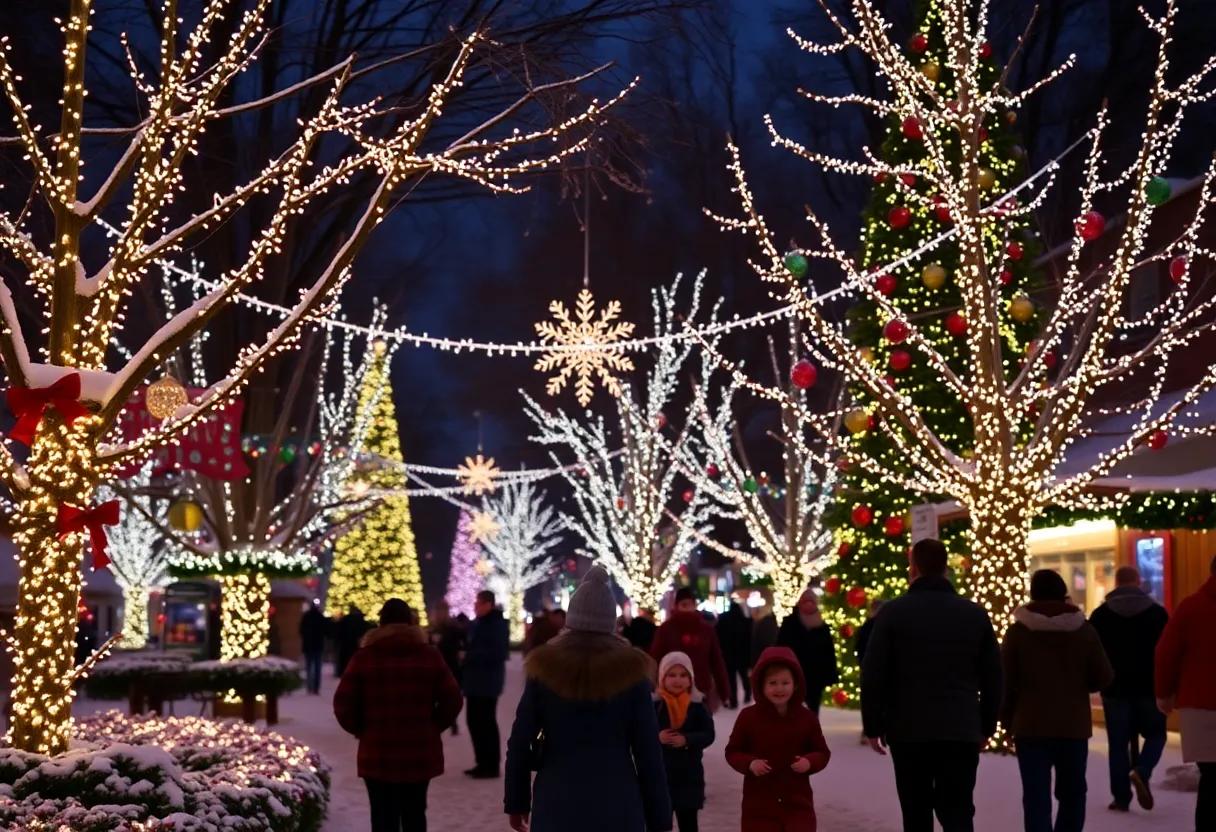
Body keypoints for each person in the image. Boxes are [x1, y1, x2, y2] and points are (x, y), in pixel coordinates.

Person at [504, 565, 672, 832]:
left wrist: (516, 801)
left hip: (556, 801)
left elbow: (520, 742)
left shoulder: (546, 670)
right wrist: (659, 818)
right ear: (611, 621)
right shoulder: (631, 675)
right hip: (617, 802)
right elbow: (648, 752)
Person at [860, 537, 1003, 832]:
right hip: (960, 727)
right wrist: (986, 725)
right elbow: (993, 676)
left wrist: (874, 724)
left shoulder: (892, 613)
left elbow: (874, 673)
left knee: (916, 812)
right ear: (946, 569)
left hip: (908, 728)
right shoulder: (974, 614)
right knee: (959, 811)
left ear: (913, 569)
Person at [333, 598, 463, 832]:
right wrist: (433, 726)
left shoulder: (364, 658)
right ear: (411, 623)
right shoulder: (429, 656)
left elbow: (343, 705)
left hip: (377, 751)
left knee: (382, 818)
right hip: (419, 752)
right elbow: (453, 699)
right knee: (415, 815)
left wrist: (363, 728)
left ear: (380, 623)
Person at [1002, 569, 1114, 832]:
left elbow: (1006, 681)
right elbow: (1104, 676)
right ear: (1063, 594)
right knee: (1073, 794)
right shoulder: (1084, 630)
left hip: (1030, 725)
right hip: (1072, 725)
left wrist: (1007, 720)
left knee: (1036, 797)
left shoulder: (1018, 632)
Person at [1088, 565, 1169, 811]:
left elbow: (1093, 651)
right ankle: (1142, 770)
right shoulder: (1157, 614)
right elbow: (1166, 652)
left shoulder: (1101, 614)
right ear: (1137, 582)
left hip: (1114, 688)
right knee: (1156, 734)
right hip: (1149, 687)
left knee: (1118, 743)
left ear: (1117, 582)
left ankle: (1121, 798)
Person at [725, 646, 831, 832]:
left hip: (797, 801)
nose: (779, 688)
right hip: (759, 804)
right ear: (761, 686)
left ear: (796, 684)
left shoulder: (807, 718)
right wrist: (749, 763)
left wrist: (810, 762)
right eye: (772, 683)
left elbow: (822, 751)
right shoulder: (748, 717)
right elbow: (733, 751)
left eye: (785, 682)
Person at [1155, 554, 1216, 831]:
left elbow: (1166, 653)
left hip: (1201, 709)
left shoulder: (1191, 607)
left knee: (1211, 780)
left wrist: (1164, 694)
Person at [654, 651, 715, 832]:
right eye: (671, 675)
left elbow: (708, 734)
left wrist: (687, 739)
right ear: (662, 678)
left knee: (688, 822)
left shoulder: (697, 705)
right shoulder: (654, 705)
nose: (677, 680)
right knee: (658, 822)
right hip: (660, 774)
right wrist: (657, 737)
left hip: (689, 775)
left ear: (691, 679)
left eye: (683, 675)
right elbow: (639, 734)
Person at [650, 588, 730, 712]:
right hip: (672, 691)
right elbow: (655, 659)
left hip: (701, 688)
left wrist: (724, 691)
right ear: (677, 606)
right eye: (684, 605)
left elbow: (716, 661)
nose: (688, 609)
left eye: (691, 605)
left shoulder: (706, 630)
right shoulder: (666, 629)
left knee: (701, 726)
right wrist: (652, 687)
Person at [461, 589, 510, 778]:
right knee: (474, 721)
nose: (476, 607)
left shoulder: (496, 625)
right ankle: (481, 761)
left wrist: (469, 656)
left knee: (485, 722)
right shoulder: (479, 624)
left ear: (489, 604)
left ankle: (490, 764)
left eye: (479, 603)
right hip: (475, 681)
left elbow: (498, 654)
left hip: (487, 682)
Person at [776, 590, 838, 714]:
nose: (809, 605)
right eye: (806, 602)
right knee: (793, 709)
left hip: (816, 677)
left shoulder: (822, 626)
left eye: (812, 602)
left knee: (813, 709)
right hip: (794, 675)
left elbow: (828, 653)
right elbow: (781, 648)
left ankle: (811, 731)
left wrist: (830, 674)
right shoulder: (789, 624)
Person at [428, 600, 465, 735]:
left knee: (448, 696)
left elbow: (459, 646)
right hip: (436, 668)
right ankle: (438, 722)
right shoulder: (432, 628)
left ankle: (451, 722)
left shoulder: (453, 629)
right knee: (434, 696)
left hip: (450, 666)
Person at [854, 598, 884, 743]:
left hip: (873, 668)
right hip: (874, 668)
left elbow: (859, 647)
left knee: (871, 699)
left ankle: (871, 729)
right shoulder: (871, 626)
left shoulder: (869, 626)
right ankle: (870, 729)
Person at [716, 601, 753, 709]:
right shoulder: (746, 622)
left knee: (731, 678)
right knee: (744, 675)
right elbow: (749, 639)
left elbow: (718, 636)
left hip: (728, 654)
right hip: (742, 653)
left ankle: (733, 700)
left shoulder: (723, 620)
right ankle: (747, 694)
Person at [299, 602, 329, 695]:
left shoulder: (306, 616)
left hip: (308, 645)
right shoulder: (321, 617)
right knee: (317, 668)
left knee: (309, 668)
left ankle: (309, 687)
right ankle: (316, 688)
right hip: (318, 645)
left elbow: (301, 630)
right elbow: (326, 630)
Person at [334, 605, 369, 677]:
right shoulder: (361, 622)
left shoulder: (345, 620)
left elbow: (338, 632)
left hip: (345, 648)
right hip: (357, 648)